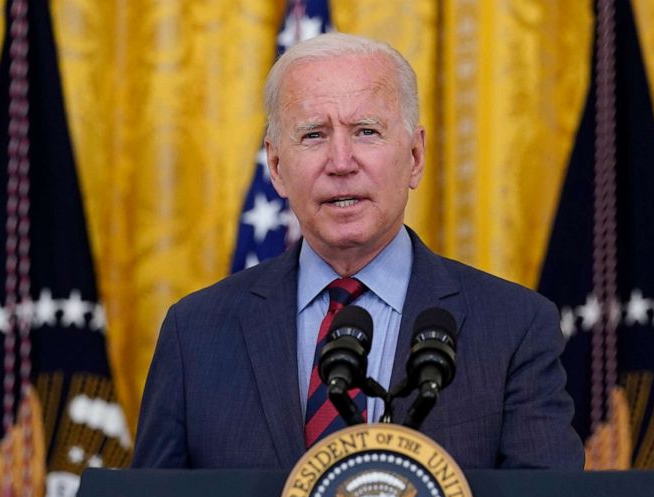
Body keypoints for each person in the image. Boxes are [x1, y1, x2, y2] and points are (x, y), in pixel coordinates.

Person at [132, 33, 584, 470]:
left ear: (414, 156)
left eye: (366, 131)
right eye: (313, 136)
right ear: (276, 167)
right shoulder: (195, 335)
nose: (341, 162)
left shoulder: (515, 328)